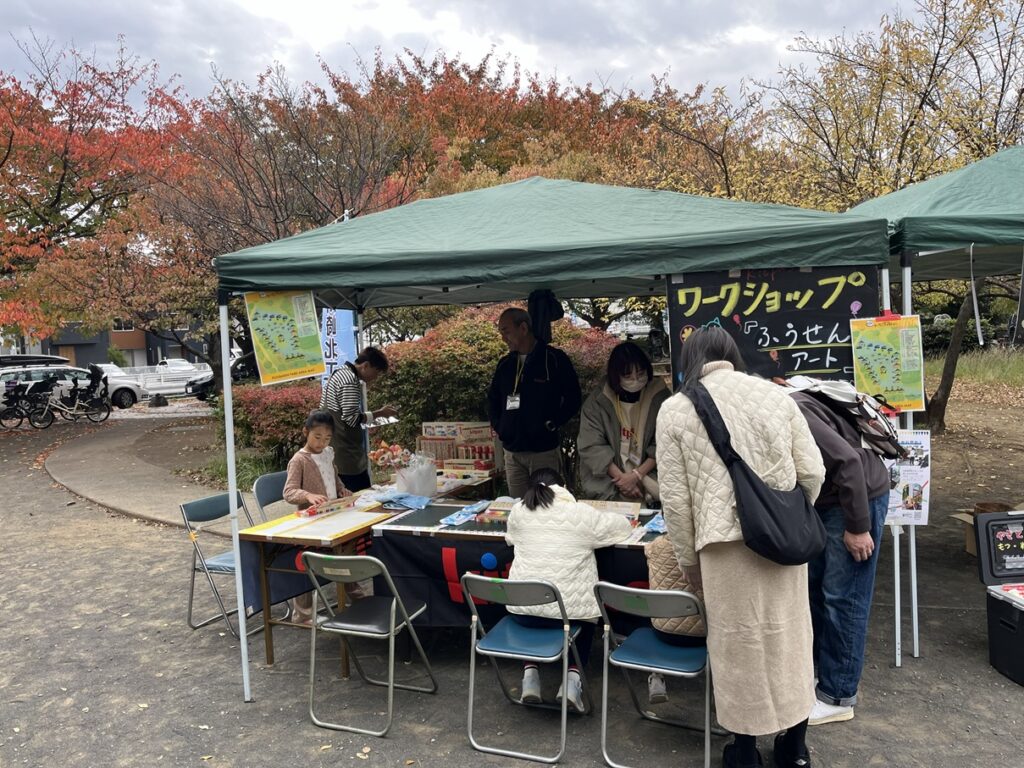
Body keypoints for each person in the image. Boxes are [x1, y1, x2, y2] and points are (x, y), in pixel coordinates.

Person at [656, 327, 825, 768]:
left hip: (722, 547)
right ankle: (795, 747)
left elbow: (675, 502)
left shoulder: (675, 410)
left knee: (738, 644)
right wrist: (786, 511)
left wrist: (687, 561)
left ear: (689, 359)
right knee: (791, 636)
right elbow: (813, 471)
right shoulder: (776, 397)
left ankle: (745, 751)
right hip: (782, 540)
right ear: (733, 354)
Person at [786, 385, 890, 727]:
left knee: (844, 597)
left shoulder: (792, 408)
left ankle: (838, 696)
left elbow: (848, 461)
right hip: (828, 501)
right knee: (817, 590)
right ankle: (820, 680)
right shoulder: (779, 407)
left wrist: (859, 527)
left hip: (857, 497)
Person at [504, 467, 633, 713]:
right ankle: (572, 684)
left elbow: (510, 538)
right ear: (563, 488)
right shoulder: (580, 514)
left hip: (522, 616)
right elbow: (621, 527)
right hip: (567, 619)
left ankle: (530, 677)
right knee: (584, 615)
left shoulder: (518, 512)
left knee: (537, 607)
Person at [487, 308, 582, 498]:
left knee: (546, 507)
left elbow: (574, 397)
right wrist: (500, 427)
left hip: (543, 450)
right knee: (518, 507)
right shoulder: (505, 364)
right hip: (512, 451)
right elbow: (493, 399)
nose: (503, 338)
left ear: (523, 328)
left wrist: (552, 423)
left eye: (506, 331)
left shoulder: (554, 359)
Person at [282, 410, 351, 624]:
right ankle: (302, 614)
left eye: (327, 438)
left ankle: (356, 595)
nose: (321, 443)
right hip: (310, 522)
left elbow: (334, 476)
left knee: (347, 549)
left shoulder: (328, 453)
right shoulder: (299, 460)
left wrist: (342, 490)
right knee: (306, 563)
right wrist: (308, 495)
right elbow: (289, 492)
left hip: (331, 515)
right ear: (306, 432)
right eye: (317, 437)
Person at [578, 341, 669, 502]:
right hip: (610, 481)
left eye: (640, 373)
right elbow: (592, 446)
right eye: (627, 376)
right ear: (615, 376)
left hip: (651, 478)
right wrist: (622, 480)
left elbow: (665, 441)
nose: (635, 380)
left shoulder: (659, 396)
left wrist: (637, 475)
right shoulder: (598, 402)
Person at [319, 347, 397, 492]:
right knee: (362, 496)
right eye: (377, 372)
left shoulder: (340, 372)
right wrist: (379, 413)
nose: (376, 377)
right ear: (365, 365)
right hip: (344, 453)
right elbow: (351, 418)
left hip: (335, 447)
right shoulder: (349, 380)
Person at [643, 533, 707, 705]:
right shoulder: (708, 549)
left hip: (662, 632)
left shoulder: (656, 546)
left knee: (645, 601)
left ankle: (655, 674)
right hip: (705, 636)